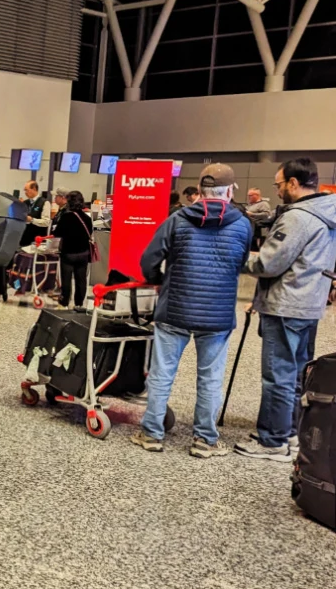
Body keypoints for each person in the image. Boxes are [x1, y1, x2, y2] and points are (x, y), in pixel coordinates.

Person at [132, 164, 253, 457]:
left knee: (162, 374)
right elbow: (241, 262)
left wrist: (157, 280)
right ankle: (204, 441)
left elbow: (149, 258)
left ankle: (151, 434)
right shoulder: (243, 224)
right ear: (230, 190)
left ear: (198, 191)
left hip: (174, 309)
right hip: (218, 314)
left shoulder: (177, 219)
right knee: (210, 378)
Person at [239, 157, 336, 461]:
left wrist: (239, 260)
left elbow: (269, 262)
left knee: (277, 375)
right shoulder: (327, 213)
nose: (277, 191)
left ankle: (272, 441)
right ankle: (290, 432)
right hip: (309, 304)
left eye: (279, 184)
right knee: (296, 375)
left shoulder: (298, 218)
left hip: (285, 305)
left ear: (294, 183)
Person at [52, 190, 93, 310]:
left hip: (68, 253)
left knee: (66, 279)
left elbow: (57, 233)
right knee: (81, 279)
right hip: (83, 253)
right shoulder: (87, 217)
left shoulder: (66, 217)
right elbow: (90, 232)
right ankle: (79, 304)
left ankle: (65, 302)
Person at [20, 181, 51, 246]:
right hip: (24, 239)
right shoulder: (25, 203)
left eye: (26, 190)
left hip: (37, 240)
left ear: (34, 189)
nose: (25, 193)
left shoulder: (44, 203)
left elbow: (46, 222)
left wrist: (32, 220)